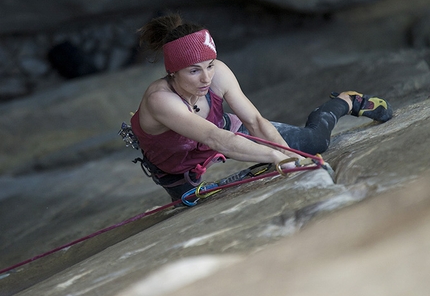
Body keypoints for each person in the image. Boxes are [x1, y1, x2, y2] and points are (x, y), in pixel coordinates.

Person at [130, 14, 393, 201]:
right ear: (173, 72)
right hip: (180, 163)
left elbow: (254, 120)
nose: (206, 78)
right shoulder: (160, 99)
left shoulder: (218, 73)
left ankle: (346, 101)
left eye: (210, 65)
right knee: (189, 201)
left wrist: (288, 155)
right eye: (194, 71)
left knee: (314, 142)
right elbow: (215, 138)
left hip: (222, 127)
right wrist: (274, 157)